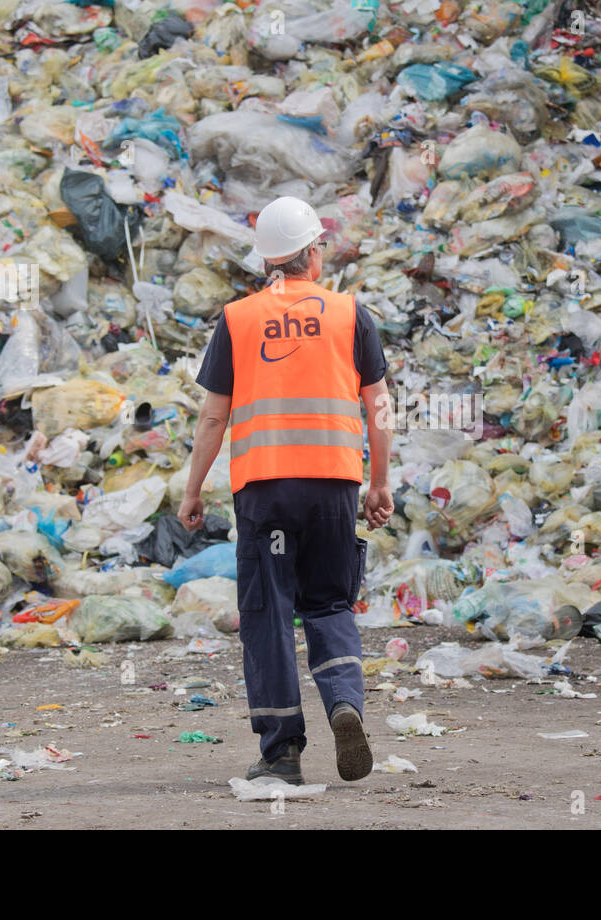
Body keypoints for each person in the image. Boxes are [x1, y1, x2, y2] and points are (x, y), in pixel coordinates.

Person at [180, 196, 393, 784]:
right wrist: (379, 484)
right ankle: (345, 702)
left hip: (264, 489)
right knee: (328, 602)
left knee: (268, 614)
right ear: (313, 253)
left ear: (270, 261)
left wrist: (193, 490)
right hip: (333, 486)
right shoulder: (352, 314)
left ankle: (281, 753)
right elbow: (379, 408)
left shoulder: (238, 318)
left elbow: (212, 419)